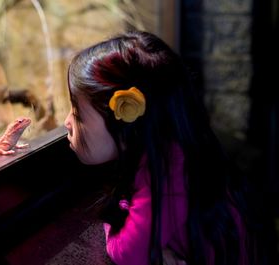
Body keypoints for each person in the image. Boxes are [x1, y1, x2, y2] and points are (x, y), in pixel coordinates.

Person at [64, 31, 262, 265]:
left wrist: (113, 219)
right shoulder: (171, 151)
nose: (67, 121)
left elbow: (125, 253)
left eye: (77, 112)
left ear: (125, 121)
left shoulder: (168, 171)